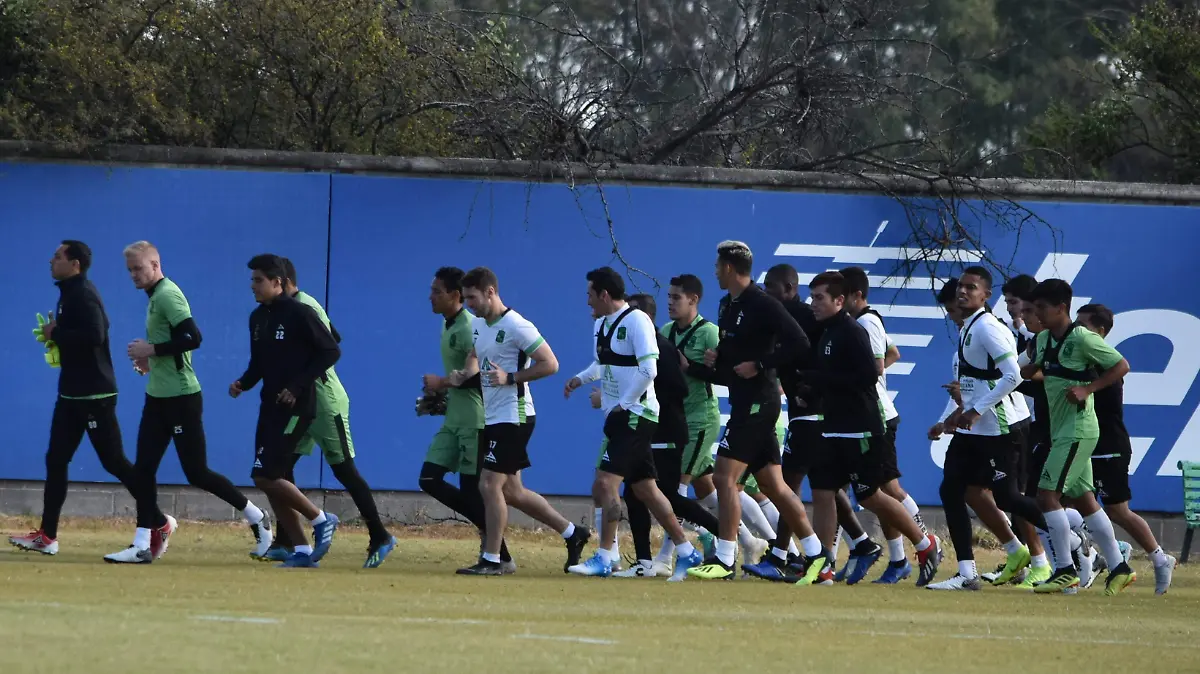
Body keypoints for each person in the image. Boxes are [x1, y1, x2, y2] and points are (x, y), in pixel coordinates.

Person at [103, 241, 273, 564]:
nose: (134, 275)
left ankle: (256, 516)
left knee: (197, 472)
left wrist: (150, 351)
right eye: (129, 271)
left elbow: (192, 337)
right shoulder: (153, 298)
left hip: (182, 399)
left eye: (139, 268)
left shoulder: (168, 294)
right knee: (143, 471)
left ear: (155, 264)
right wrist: (152, 363)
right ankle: (143, 542)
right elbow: (173, 346)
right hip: (157, 397)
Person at [10, 241, 171, 558]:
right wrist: (55, 340)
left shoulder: (83, 294)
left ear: (75, 264)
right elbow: (79, 337)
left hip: (95, 395)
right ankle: (48, 536)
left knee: (114, 463)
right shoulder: (67, 293)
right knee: (56, 459)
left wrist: (56, 334)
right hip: (70, 393)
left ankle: (159, 521)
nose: (51, 260)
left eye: (57, 257)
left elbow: (96, 334)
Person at [686, 241, 827, 583]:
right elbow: (732, 359)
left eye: (719, 266)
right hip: (745, 400)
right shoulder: (726, 305)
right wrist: (715, 361)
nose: (716, 272)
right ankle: (816, 554)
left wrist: (761, 364)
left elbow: (799, 342)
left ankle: (724, 558)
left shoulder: (763, 303)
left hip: (758, 403)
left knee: (724, 478)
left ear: (730, 269)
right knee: (776, 487)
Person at [802, 271, 942, 587]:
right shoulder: (826, 332)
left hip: (860, 429)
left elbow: (869, 375)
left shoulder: (854, 330)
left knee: (871, 496)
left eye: (819, 297)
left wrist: (821, 381)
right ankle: (823, 565)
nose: (814, 303)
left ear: (840, 300)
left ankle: (924, 543)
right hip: (832, 426)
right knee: (823, 493)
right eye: (812, 297)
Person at [741, 264, 879, 583]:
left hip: (813, 412)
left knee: (789, 485)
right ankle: (859, 543)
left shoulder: (801, 317)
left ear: (790, 289)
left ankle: (781, 555)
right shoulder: (811, 319)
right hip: (812, 410)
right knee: (823, 485)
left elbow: (807, 352)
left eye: (772, 289)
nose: (766, 296)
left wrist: (804, 381)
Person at [449, 267, 590, 576]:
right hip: (495, 416)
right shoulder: (480, 325)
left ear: (490, 292)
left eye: (472, 298)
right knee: (511, 491)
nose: (468, 304)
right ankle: (572, 533)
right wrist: (466, 372)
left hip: (515, 416)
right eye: (465, 298)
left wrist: (510, 377)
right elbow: (475, 353)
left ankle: (493, 559)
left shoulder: (517, 325)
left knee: (488, 485)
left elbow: (550, 364)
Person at [564, 269, 703, 580]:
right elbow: (604, 363)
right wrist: (579, 379)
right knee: (646, 489)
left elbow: (649, 370)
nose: (587, 302)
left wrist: (624, 404)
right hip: (620, 415)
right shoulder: (601, 324)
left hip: (637, 414)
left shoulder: (637, 320)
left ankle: (605, 556)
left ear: (604, 294)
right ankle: (686, 551)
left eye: (590, 295)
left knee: (604, 484)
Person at [272, 258, 397, 568]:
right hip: (300, 402)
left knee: (344, 470)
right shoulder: (289, 310)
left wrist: (300, 377)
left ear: (284, 282)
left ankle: (380, 535)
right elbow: (334, 335)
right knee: (279, 469)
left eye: (268, 282)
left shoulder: (305, 307)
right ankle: (287, 540)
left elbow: (331, 347)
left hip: (325, 402)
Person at [930, 266, 1048, 591]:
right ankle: (967, 573)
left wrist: (975, 410)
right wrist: (955, 416)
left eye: (971, 287)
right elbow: (972, 384)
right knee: (952, 489)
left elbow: (1014, 375)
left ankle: (1070, 533)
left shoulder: (987, 329)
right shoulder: (967, 328)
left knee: (1008, 497)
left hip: (997, 427)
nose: (963, 292)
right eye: (961, 288)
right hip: (973, 430)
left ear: (986, 295)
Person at [1025, 280, 1138, 595]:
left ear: (1061, 307)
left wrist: (1087, 388)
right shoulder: (1045, 338)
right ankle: (1119, 567)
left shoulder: (1083, 338)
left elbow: (1121, 366)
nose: (1036, 315)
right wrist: (1027, 366)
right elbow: (1029, 371)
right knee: (1085, 501)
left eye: (1041, 309)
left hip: (1078, 429)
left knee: (1046, 497)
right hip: (1061, 429)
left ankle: (1064, 569)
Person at [229, 254, 341, 568]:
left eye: (259, 280)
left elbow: (331, 350)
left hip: (297, 407)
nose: (253, 285)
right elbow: (259, 363)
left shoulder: (299, 313)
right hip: (270, 406)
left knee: (265, 475)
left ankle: (320, 519)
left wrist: (297, 386)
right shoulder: (257, 318)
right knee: (270, 476)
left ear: (278, 282)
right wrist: (243, 382)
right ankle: (303, 551)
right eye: (252, 280)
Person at [613, 292, 721, 578]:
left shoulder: (662, 347)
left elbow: (680, 389)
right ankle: (645, 563)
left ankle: (723, 536)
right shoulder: (637, 348)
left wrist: (642, 394)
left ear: (644, 318)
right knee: (635, 493)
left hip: (667, 431)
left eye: (630, 315)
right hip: (647, 430)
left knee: (667, 495)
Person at [420, 266, 516, 573]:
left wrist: (442, 384)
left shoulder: (468, 327)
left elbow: (483, 379)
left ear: (455, 295)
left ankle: (499, 555)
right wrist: (438, 399)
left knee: (478, 491)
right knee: (429, 478)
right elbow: (463, 375)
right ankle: (497, 551)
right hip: (454, 420)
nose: (430, 296)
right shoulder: (448, 325)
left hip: (475, 421)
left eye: (437, 291)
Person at [838, 266, 930, 582]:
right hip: (866, 414)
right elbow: (893, 353)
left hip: (876, 417)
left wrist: (854, 383)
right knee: (882, 489)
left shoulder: (866, 322)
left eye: (841, 295)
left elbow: (878, 364)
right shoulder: (857, 322)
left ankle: (922, 542)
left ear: (856, 295)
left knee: (881, 491)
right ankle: (901, 557)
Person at [1074, 303, 1174, 594]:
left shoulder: (1106, 362)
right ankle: (1106, 552)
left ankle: (1158, 557)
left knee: (1117, 511)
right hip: (1085, 443)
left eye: (1083, 325)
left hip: (1108, 445)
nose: (1076, 331)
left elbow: (1118, 372)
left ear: (1100, 331)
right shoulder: (1081, 357)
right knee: (1068, 501)